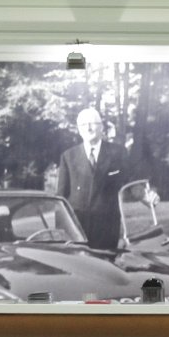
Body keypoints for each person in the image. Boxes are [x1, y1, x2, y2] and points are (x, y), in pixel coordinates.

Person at [56, 106, 128, 251]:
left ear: (101, 127)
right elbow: (61, 200)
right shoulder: (68, 157)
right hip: (77, 231)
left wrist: (146, 196)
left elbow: (129, 183)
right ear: (78, 129)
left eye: (92, 123)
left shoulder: (117, 152)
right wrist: (61, 234)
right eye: (83, 125)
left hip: (107, 229)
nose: (88, 128)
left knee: (107, 263)